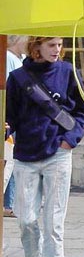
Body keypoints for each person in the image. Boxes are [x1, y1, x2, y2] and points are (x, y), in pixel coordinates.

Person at [7, 36, 84, 257]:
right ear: (36, 46)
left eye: (60, 45)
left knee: (53, 224)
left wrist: (69, 140)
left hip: (58, 153)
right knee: (26, 221)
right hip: (25, 155)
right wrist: (6, 128)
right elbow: (10, 117)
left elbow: (82, 112)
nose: (57, 49)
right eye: (51, 45)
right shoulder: (17, 77)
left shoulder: (68, 72)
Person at [4, 35, 28, 218]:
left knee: (12, 161)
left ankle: (11, 202)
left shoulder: (21, 59)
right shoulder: (8, 58)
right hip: (12, 119)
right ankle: (8, 203)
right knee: (9, 160)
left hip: (21, 118)